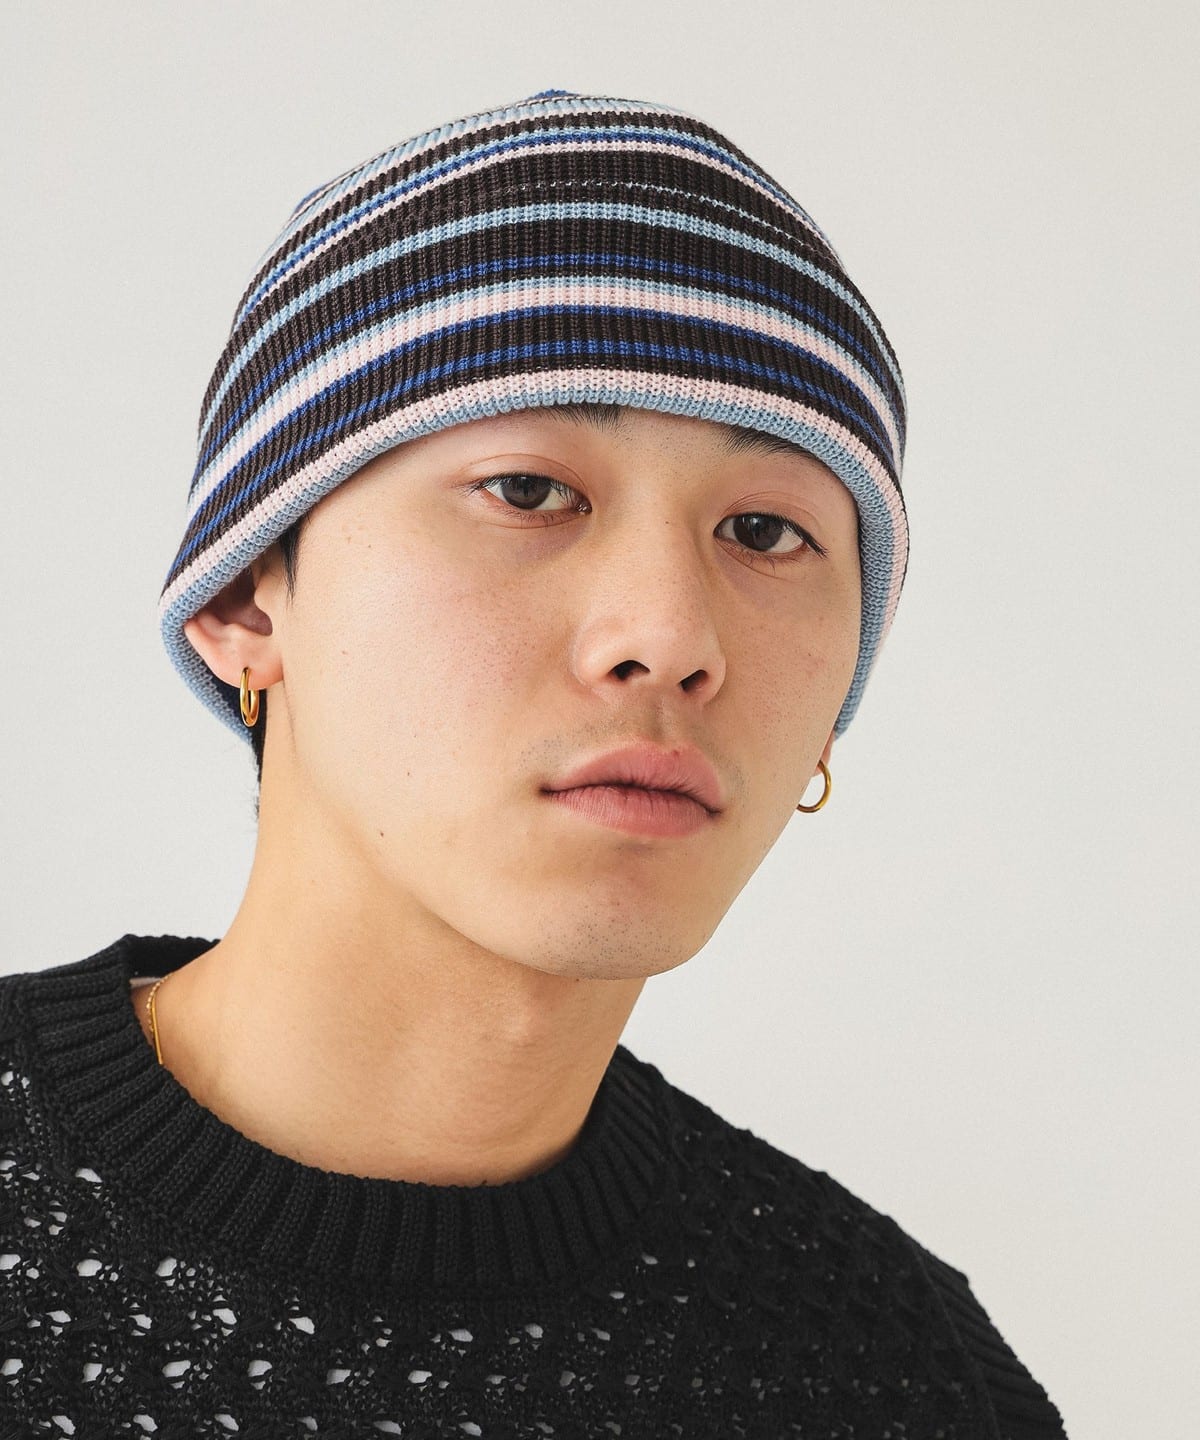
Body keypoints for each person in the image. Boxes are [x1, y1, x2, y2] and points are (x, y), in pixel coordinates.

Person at [0, 88, 1068, 1437]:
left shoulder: (903, 1378)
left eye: (766, 530)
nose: (671, 639)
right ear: (243, 599)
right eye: (528, 490)